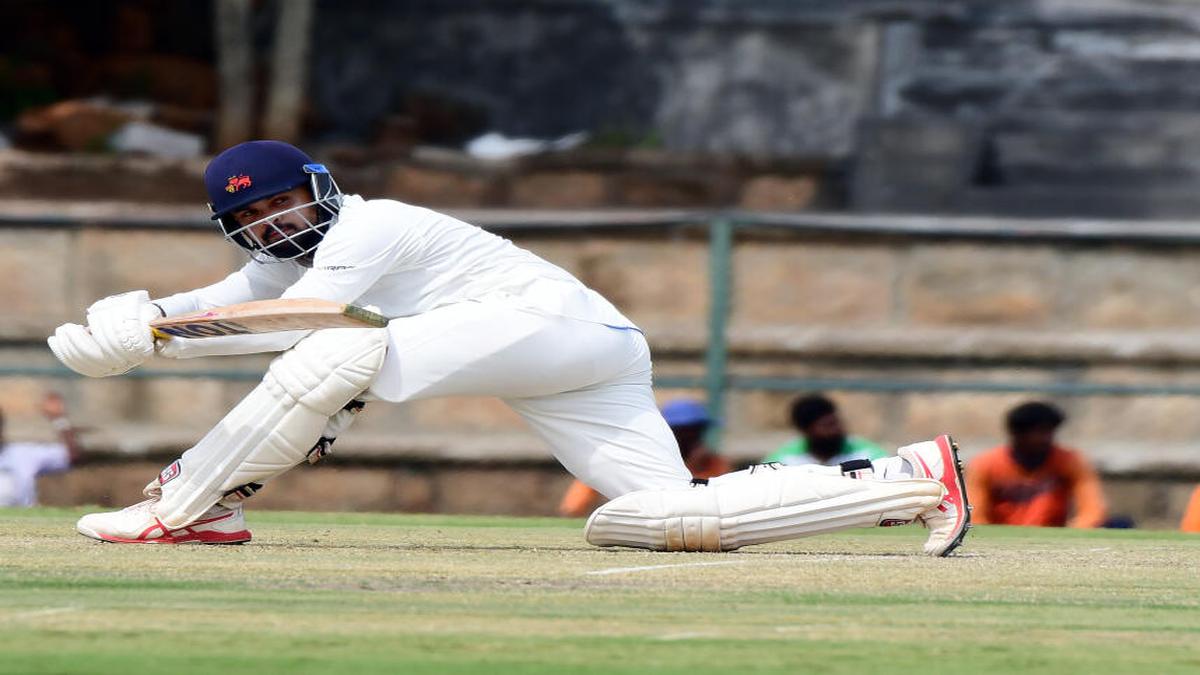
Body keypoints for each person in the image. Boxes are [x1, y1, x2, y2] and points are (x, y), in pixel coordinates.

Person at [48, 140, 969, 555]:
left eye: (282, 199)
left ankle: (194, 507)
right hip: (585, 353)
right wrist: (125, 320)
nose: (272, 221)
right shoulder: (276, 268)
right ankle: (913, 476)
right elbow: (219, 305)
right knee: (671, 518)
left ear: (322, 187)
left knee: (336, 357)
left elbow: (311, 320)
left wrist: (154, 343)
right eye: (249, 216)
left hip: (551, 329)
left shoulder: (375, 225)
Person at [559, 398, 731, 517]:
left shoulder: (711, 463)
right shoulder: (630, 459)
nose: (693, 439)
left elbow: (717, 509)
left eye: (697, 432)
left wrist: (693, 469)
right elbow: (571, 509)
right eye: (685, 433)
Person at [967, 401, 1106, 528]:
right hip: (1000, 536)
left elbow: (1092, 510)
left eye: (1046, 431)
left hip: (1053, 536)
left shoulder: (1071, 461)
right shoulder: (985, 464)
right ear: (1015, 434)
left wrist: (1073, 533)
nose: (1040, 439)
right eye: (1033, 433)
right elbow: (975, 515)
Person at [0, 392, 83, 507]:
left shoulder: (23, 451)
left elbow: (71, 455)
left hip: (17, 511)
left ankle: (27, 506)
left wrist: (59, 418)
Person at [764, 394, 889, 467]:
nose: (837, 430)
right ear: (806, 430)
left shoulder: (869, 455)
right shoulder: (783, 461)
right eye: (827, 426)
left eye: (836, 423)